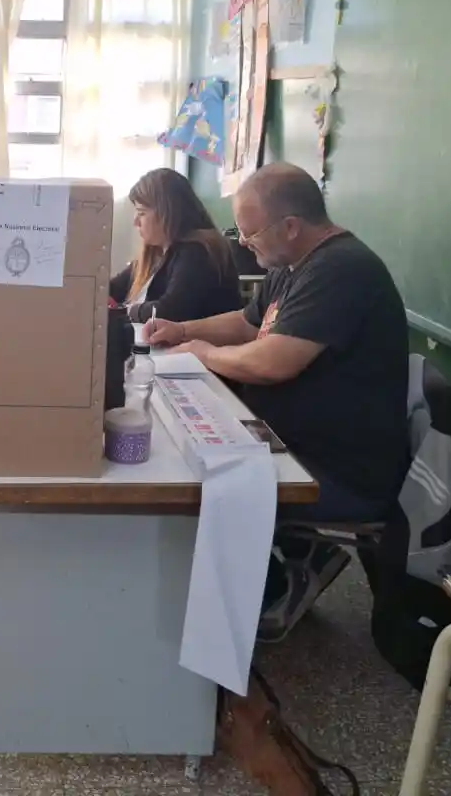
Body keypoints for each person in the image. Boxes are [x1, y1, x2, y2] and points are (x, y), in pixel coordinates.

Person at [145, 163, 409, 640]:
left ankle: (262, 596)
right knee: (186, 450)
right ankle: (290, 568)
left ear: (290, 226)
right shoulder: (293, 264)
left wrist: (204, 354)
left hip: (331, 471)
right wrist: (184, 330)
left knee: (198, 486)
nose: (243, 245)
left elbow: (273, 362)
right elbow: (249, 324)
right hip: (293, 446)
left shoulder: (341, 269)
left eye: (250, 234)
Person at [109, 167, 242, 324]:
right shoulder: (156, 252)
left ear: (167, 212)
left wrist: (127, 310)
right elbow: (111, 289)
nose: (135, 222)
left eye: (142, 213)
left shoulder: (197, 252)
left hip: (199, 347)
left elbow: (170, 311)